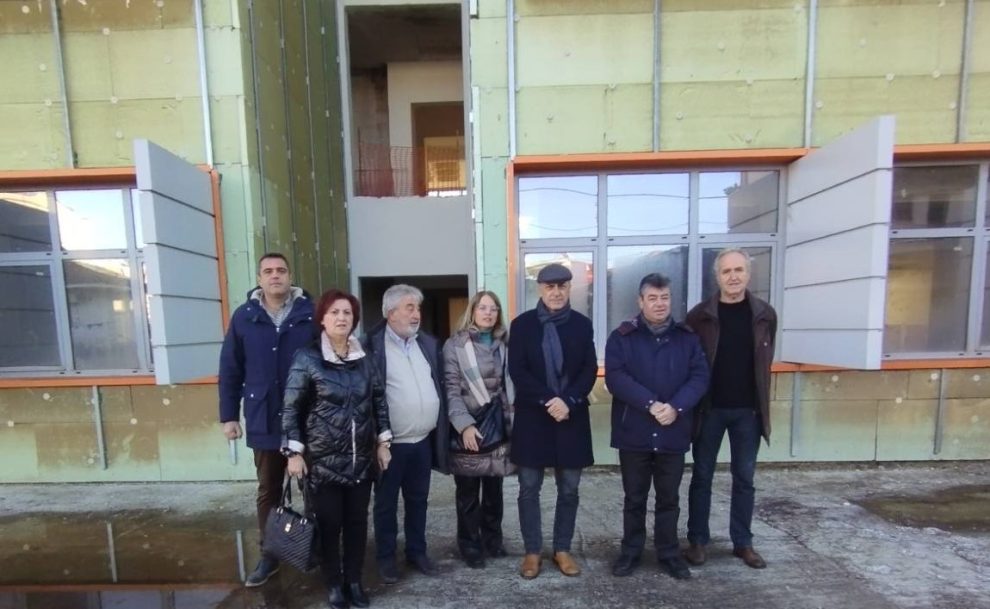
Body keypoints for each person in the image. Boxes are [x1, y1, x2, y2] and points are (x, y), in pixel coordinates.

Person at [281, 289, 392, 609]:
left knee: (357, 524)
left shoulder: (364, 358)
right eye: (334, 312)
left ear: (354, 319)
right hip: (323, 461)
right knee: (329, 526)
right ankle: (333, 584)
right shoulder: (307, 358)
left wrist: (383, 443)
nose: (341, 318)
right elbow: (291, 408)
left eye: (347, 313)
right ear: (322, 319)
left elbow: (379, 402)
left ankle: (354, 582)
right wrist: (294, 453)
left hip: (361, 461)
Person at [218, 252, 314, 587]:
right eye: (268, 271)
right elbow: (230, 368)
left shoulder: (310, 313)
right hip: (264, 417)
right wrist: (229, 416)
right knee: (269, 490)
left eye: (281, 270)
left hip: (307, 417)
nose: (275, 275)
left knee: (315, 489)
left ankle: (316, 548)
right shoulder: (244, 316)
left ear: (290, 276)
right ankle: (269, 556)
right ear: (259, 279)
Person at [605, 273, 709, 580]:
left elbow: (700, 377)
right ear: (641, 301)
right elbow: (616, 377)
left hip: (672, 430)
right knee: (634, 498)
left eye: (664, 298)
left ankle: (669, 553)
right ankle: (630, 552)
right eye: (652, 298)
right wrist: (651, 404)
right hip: (634, 431)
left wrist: (676, 407)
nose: (659, 304)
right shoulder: (622, 337)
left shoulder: (687, 338)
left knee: (669, 499)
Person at [684, 248, 778, 570]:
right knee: (702, 476)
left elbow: (765, 360)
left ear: (748, 274)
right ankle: (698, 541)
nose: (733, 276)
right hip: (709, 409)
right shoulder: (699, 317)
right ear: (717, 277)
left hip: (748, 411)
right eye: (727, 271)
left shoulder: (765, 314)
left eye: (739, 270)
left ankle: (743, 543)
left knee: (745, 478)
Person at [508, 263, 597, 579]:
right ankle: (532, 552)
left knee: (569, 489)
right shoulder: (522, 325)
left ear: (569, 288)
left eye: (562, 286)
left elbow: (588, 369)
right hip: (534, 417)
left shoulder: (582, 325)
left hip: (570, 417)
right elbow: (518, 371)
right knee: (528, 489)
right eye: (550, 287)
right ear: (540, 289)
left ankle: (562, 549)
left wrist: (568, 401)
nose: (556, 292)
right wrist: (549, 400)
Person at [363, 284, 449, 583]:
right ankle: (386, 558)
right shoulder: (371, 346)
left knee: (418, 500)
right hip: (390, 444)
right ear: (390, 313)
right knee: (386, 504)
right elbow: (367, 398)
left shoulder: (426, 343)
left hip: (422, 441)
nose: (416, 314)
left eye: (418, 308)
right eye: (409, 308)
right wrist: (378, 439)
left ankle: (416, 551)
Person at [443, 290, 515, 569]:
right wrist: (464, 426)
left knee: (495, 489)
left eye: (493, 308)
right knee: (468, 492)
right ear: (472, 311)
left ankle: (493, 540)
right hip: (469, 427)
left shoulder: (505, 343)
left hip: (499, 425)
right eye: (483, 308)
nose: (488, 313)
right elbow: (451, 389)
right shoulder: (456, 345)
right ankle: (470, 545)